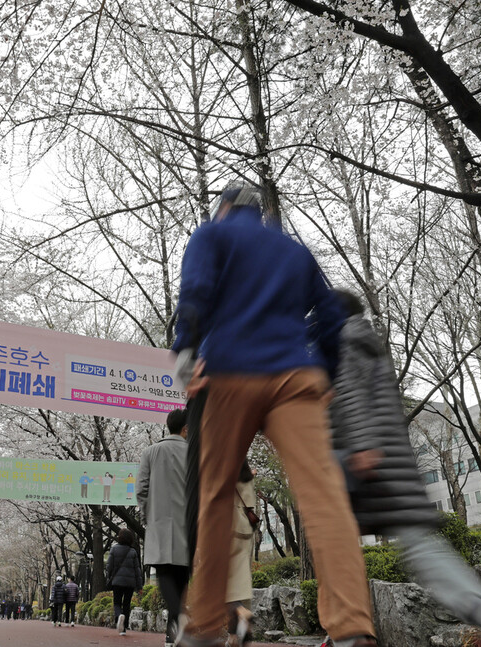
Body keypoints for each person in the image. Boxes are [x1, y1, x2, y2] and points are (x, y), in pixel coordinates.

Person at [172, 183, 375, 647]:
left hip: (229, 371)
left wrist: (185, 350)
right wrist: (325, 371)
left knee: (216, 494)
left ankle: (203, 626)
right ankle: (352, 628)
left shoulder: (212, 235)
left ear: (224, 209)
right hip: (295, 376)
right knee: (323, 496)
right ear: (260, 214)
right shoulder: (294, 251)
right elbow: (329, 314)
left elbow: (196, 290)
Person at [326, 290, 481, 647]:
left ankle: (347, 634)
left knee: (337, 545)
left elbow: (350, 398)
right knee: (420, 545)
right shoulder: (368, 342)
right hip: (395, 464)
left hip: (368, 463)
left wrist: (359, 447)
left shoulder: (345, 343)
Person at [137, 408, 189, 647]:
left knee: (164, 573)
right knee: (181, 575)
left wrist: (147, 516)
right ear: (186, 428)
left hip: (159, 522)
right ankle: (173, 633)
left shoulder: (150, 452)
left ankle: (177, 625)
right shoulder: (194, 452)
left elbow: (141, 489)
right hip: (187, 522)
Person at [226, 463, 259, 647]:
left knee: (223, 585)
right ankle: (235, 636)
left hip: (229, 528)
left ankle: (241, 612)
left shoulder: (224, 474)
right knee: (241, 584)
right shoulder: (248, 477)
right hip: (246, 530)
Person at [105, 528, 143, 636]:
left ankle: (119, 616)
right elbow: (137, 570)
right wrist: (139, 586)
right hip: (130, 583)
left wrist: (109, 577)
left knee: (117, 602)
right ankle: (124, 628)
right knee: (126, 604)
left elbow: (109, 566)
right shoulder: (133, 552)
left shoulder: (114, 549)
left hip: (117, 581)